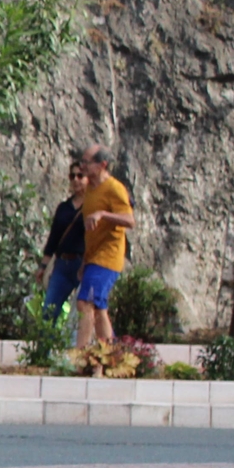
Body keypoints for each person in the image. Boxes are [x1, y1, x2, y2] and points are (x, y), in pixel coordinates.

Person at [73, 143, 136, 348]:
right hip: (93, 257)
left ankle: (80, 356)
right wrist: (84, 262)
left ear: (102, 165)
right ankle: (107, 357)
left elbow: (129, 220)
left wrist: (102, 214)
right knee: (99, 309)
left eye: (87, 162)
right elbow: (90, 233)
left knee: (85, 303)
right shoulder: (90, 190)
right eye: (81, 161)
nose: (82, 166)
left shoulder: (114, 188)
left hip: (108, 257)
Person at [39, 160, 89, 314]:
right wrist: (43, 266)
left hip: (83, 263)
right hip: (62, 264)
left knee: (81, 312)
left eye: (80, 176)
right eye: (72, 176)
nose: (75, 179)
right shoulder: (64, 208)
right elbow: (53, 238)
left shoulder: (93, 206)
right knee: (49, 309)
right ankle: (47, 339)